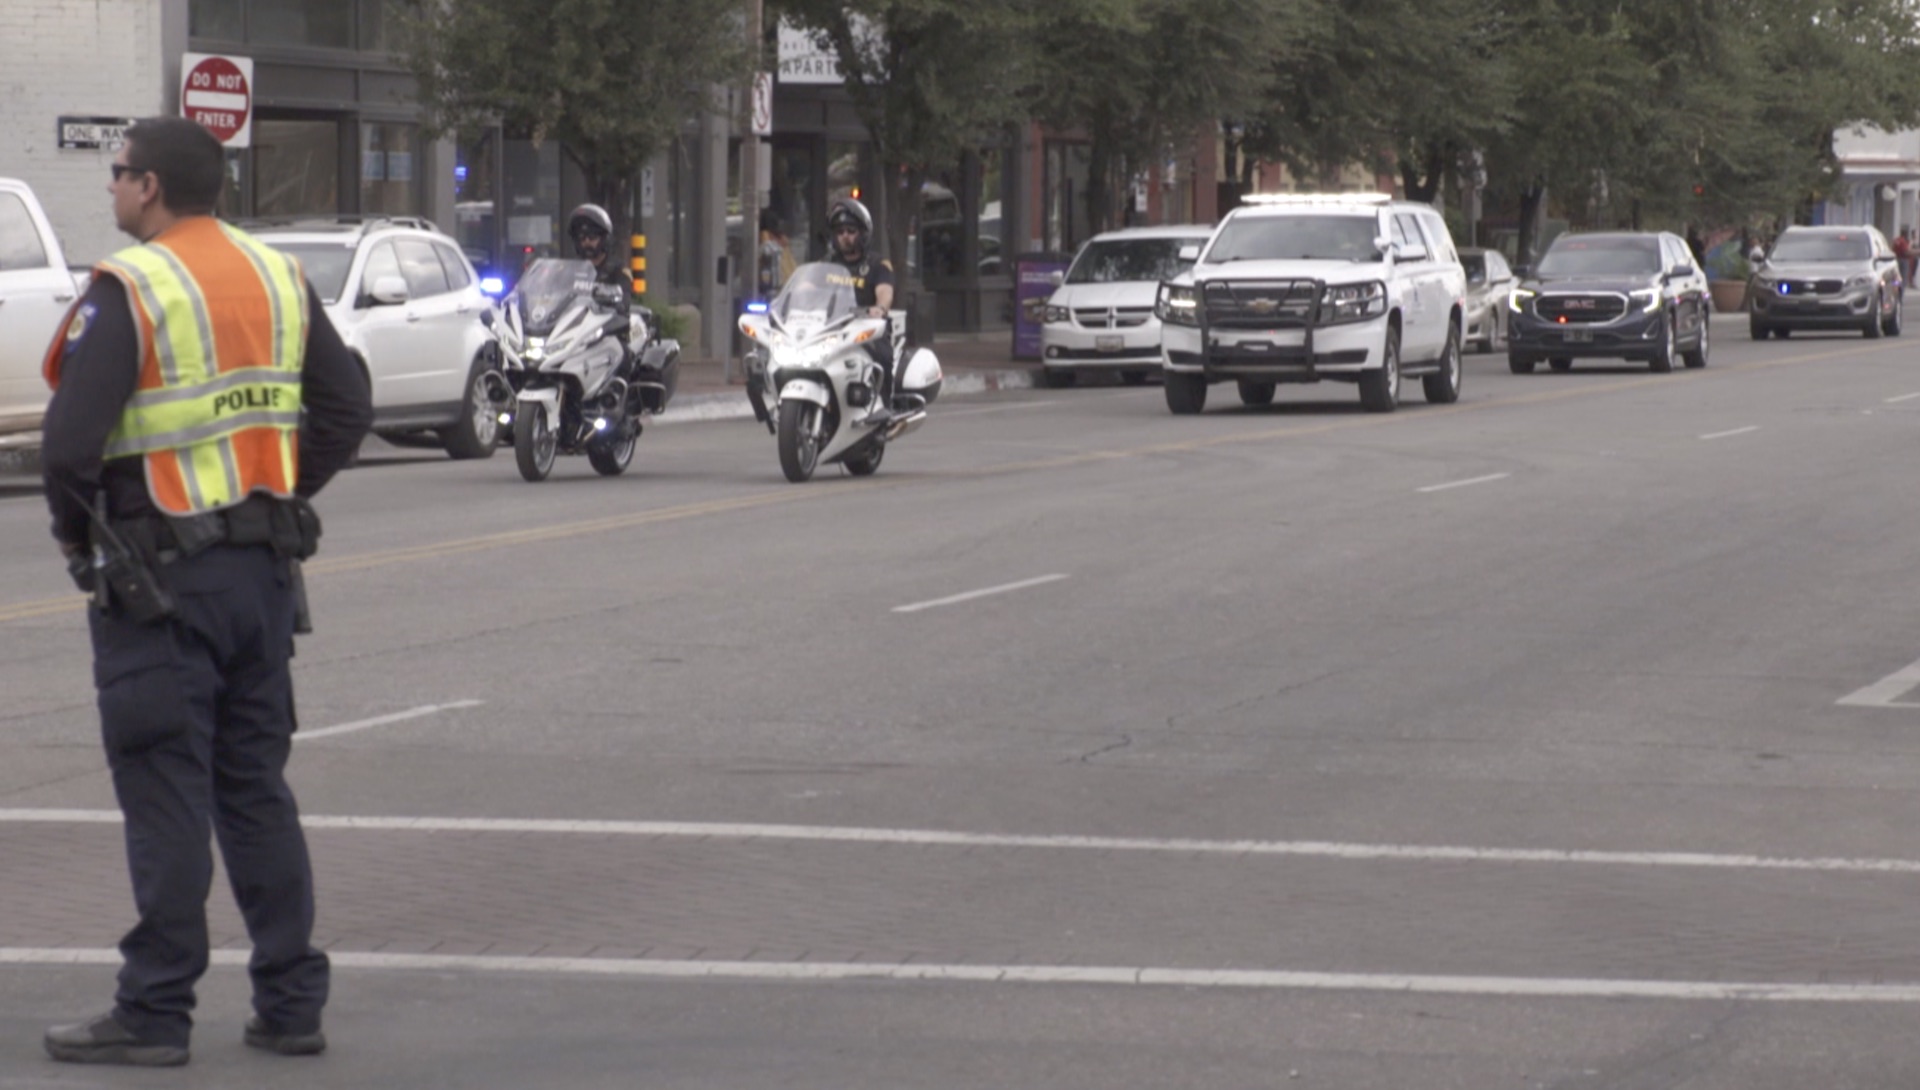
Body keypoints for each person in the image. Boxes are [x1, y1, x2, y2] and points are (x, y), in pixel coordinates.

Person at [38, 116, 372, 1067]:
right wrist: (275, 493)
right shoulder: (277, 276)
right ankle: (291, 1003)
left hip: (159, 586)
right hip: (259, 578)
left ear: (150, 188)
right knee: (253, 790)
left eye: (117, 176)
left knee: (167, 794)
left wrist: (84, 541)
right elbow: (346, 408)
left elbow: (67, 450)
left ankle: (154, 1012)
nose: (112, 190)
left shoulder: (132, 286)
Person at [823, 197, 898, 411]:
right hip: (832, 328)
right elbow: (807, 288)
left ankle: (884, 408)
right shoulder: (827, 264)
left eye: (850, 230)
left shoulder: (877, 264)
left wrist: (880, 309)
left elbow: (885, 291)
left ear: (863, 233)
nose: (844, 236)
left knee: (882, 355)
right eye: (840, 232)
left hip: (865, 328)